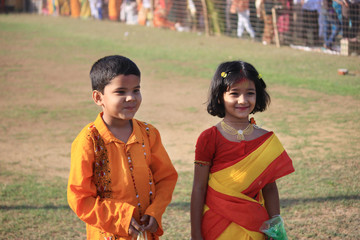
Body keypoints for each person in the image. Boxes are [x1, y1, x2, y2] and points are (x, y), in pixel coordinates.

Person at [67, 55, 178, 240]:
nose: (131, 98)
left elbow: (166, 178)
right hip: (107, 234)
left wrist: (155, 211)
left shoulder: (149, 133)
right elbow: (80, 197)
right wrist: (122, 218)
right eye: (120, 92)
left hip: (145, 233)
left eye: (136, 90)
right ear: (98, 97)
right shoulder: (89, 140)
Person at [190, 60, 295, 240]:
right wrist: (195, 235)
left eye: (250, 93)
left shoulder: (266, 140)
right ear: (219, 97)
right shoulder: (209, 138)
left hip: (254, 226)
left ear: (258, 96)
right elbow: (198, 188)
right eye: (234, 93)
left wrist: (275, 224)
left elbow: (269, 187)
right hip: (215, 225)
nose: (243, 100)